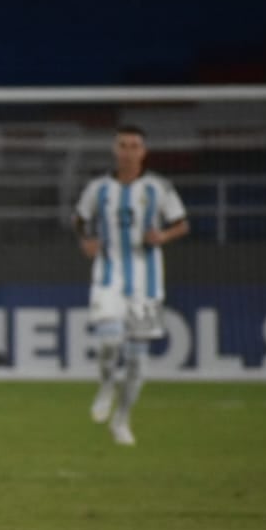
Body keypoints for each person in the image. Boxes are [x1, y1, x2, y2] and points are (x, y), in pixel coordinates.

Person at [73, 124, 189, 447]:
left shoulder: (159, 187)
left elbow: (182, 223)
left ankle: (122, 418)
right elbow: (79, 219)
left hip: (147, 280)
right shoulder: (98, 188)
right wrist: (86, 241)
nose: (128, 151)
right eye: (122, 145)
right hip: (108, 273)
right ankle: (107, 385)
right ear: (115, 149)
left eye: (134, 145)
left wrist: (163, 236)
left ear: (143, 151)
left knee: (137, 358)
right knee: (109, 340)